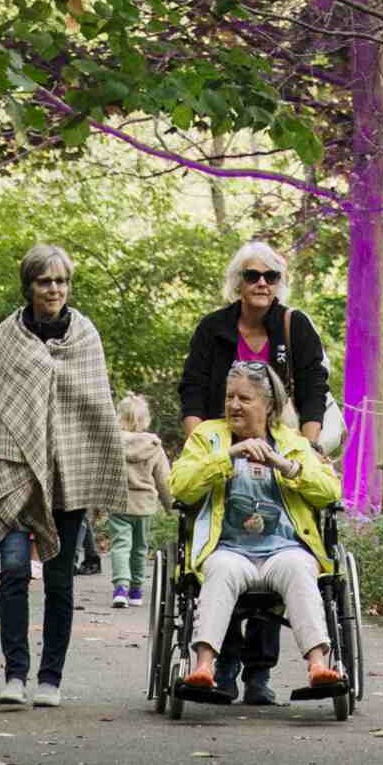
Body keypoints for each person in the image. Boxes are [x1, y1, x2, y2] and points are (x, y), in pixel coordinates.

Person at [176, 240, 330, 705]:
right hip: (222, 445)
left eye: (270, 276)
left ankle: (264, 674)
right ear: (237, 282)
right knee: (225, 561)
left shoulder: (293, 325)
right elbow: (193, 389)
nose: (261, 283)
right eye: (251, 275)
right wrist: (211, 448)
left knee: (287, 552)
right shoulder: (214, 330)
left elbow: (315, 385)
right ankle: (215, 667)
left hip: (283, 441)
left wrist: (304, 451)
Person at [0, 245, 125, 709]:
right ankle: (15, 674)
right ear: (29, 286)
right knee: (16, 569)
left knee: (61, 579)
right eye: (45, 281)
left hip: (69, 472)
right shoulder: (7, 336)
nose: (54, 289)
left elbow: (96, 404)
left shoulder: (85, 336)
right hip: (15, 468)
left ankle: (50, 678)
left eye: (61, 281)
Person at [172, 361, 344, 694]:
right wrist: (227, 456)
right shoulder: (207, 438)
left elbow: (329, 492)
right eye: (229, 397)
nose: (234, 405)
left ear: (269, 405)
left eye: (245, 399)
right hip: (227, 549)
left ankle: (319, 665)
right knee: (219, 571)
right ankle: (203, 668)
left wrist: (285, 466)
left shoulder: (293, 443)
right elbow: (180, 487)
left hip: (284, 549)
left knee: (299, 568)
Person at [108, 393, 174, 607]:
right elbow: (164, 480)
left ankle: (121, 588)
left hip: (119, 502)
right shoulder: (153, 446)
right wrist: (170, 505)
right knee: (139, 547)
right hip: (144, 505)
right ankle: (136, 590)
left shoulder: (112, 443)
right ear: (145, 419)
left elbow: (104, 473)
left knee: (120, 545)